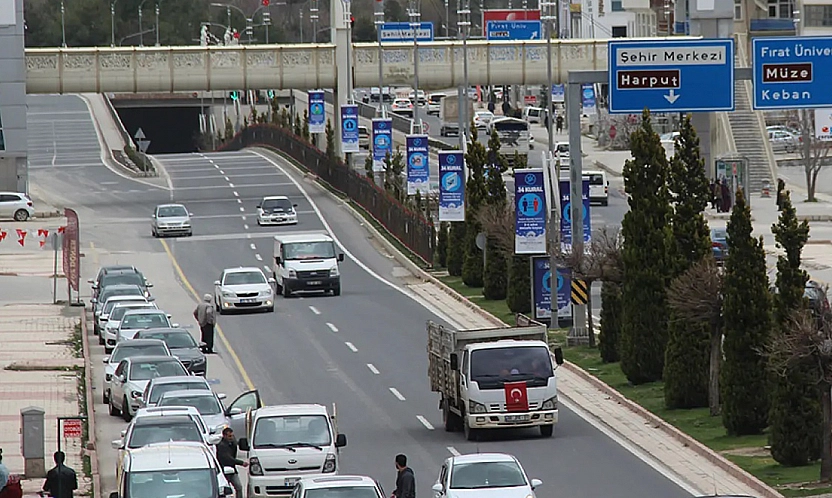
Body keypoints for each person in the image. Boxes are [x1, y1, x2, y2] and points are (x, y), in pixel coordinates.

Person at [216, 428, 248, 497]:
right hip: (224, 471)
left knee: (239, 487)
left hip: (232, 470)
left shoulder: (232, 444)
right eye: (229, 436)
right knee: (224, 490)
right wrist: (241, 463)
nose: (231, 438)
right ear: (224, 436)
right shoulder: (222, 446)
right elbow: (228, 458)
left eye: (232, 436)